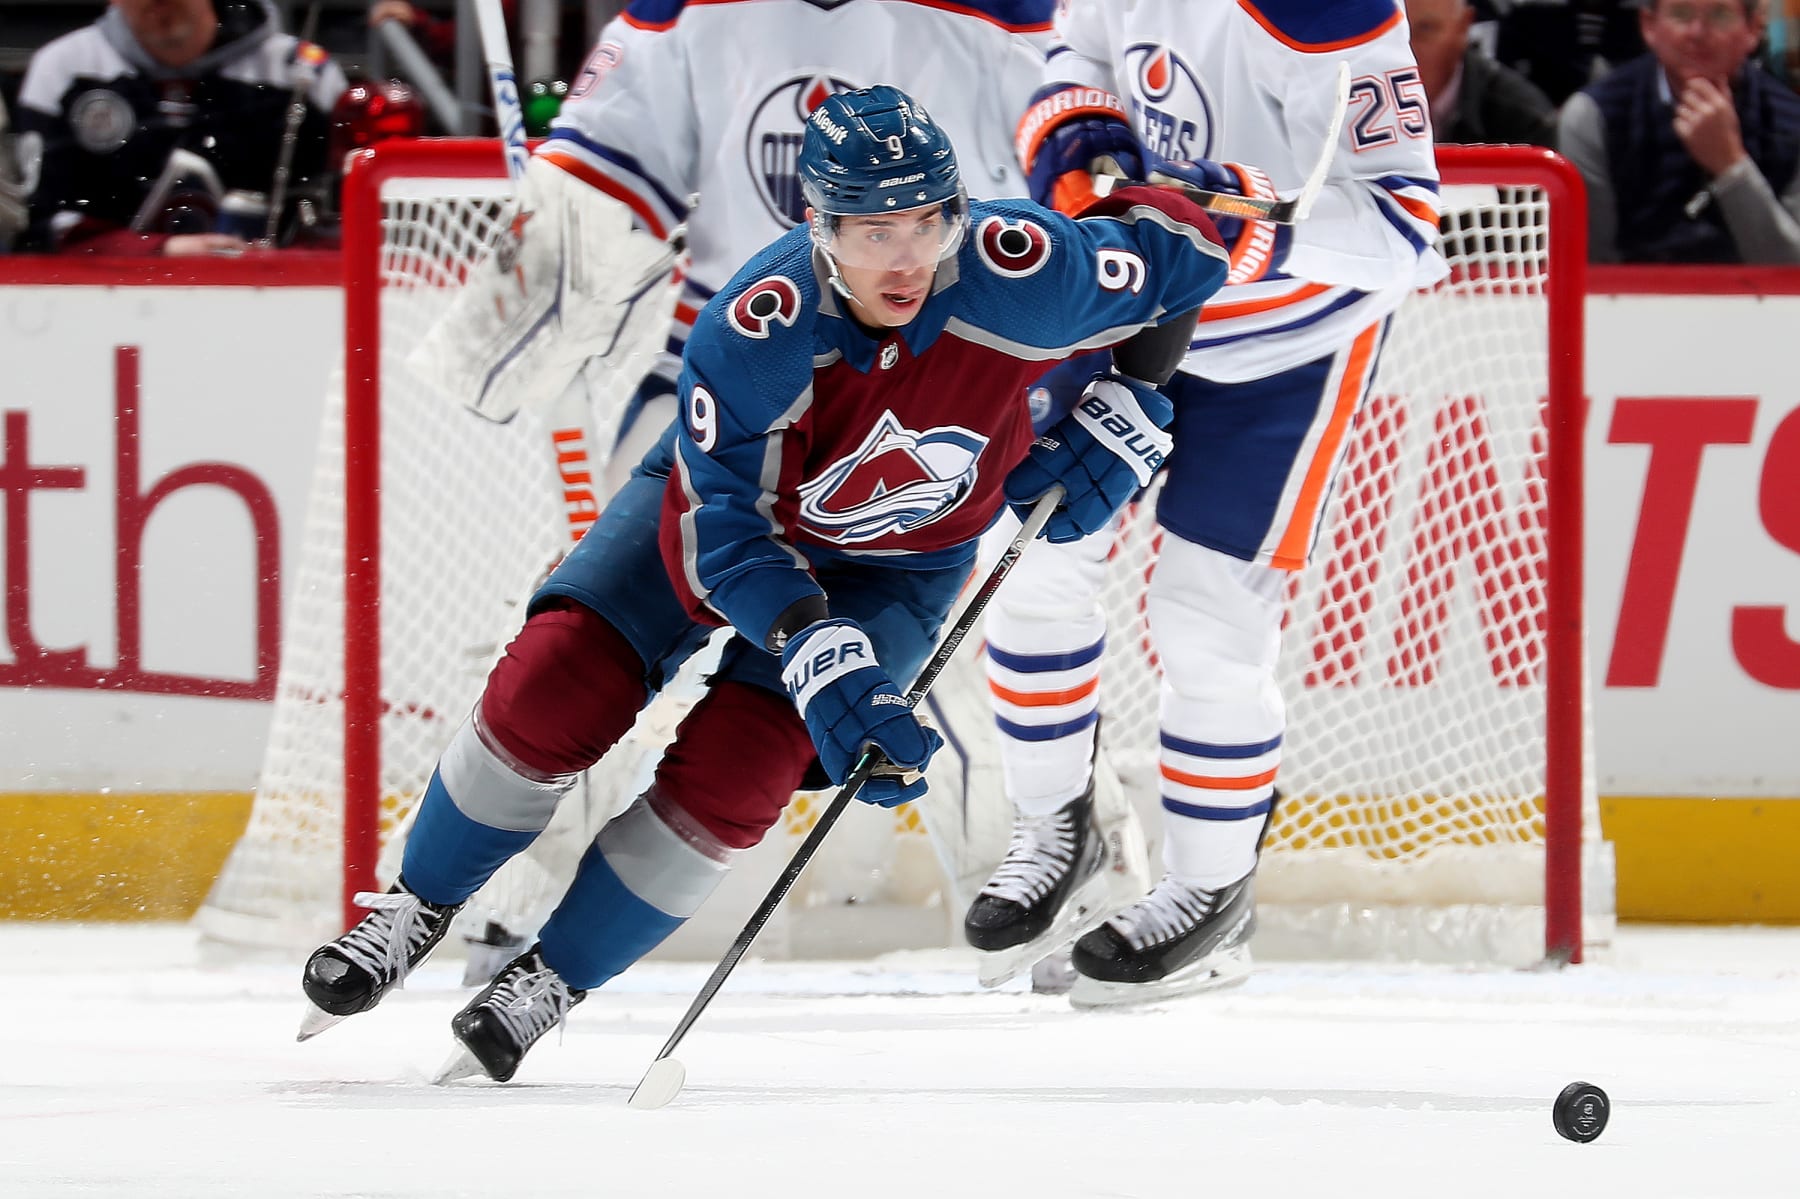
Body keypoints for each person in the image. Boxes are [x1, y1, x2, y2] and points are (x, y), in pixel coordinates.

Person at [297, 85, 1231, 1083]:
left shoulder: (1023, 269)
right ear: (818, 227)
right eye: (873, 230)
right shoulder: (757, 322)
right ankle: (417, 902)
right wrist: (811, 642)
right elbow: (725, 528)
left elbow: (1189, 245)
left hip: (902, 567)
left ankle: (551, 980)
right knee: (553, 686)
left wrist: (1136, 394)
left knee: (741, 774)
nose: (906, 256)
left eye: (926, 220)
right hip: (712, 530)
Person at [401, 0, 1061, 981]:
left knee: (930, 660)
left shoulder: (1001, 18)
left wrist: (1061, 375)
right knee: (593, 643)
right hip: (720, 385)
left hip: (929, 382)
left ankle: (1028, 894)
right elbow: (599, 179)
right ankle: (517, 894)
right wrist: (520, 307)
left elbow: (1070, 200)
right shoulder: (692, 13)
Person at [960, 0, 1448, 1006]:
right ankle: (1058, 823)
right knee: (1033, 548)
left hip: (1290, 341)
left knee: (1208, 615)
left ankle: (1213, 892)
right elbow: (1069, 55)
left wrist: (1250, 223)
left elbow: (1405, 232)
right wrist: (1074, 135)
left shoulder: (1331, 13)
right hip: (1138, 287)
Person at [13, 0, 348, 255]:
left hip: (275, 297)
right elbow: (41, 226)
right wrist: (157, 251)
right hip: (104, 302)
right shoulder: (63, 70)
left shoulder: (301, 74)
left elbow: (342, 220)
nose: (160, 6)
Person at [1558, 0, 1800, 262]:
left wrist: (1731, 167)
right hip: (1636, 299)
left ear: (1753, 29)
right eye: (1681, 14)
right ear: (1649, 26)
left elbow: (1790, 273)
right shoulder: (1592, 117)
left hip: (1757, 299)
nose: (1697, 32)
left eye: (1720, 15)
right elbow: (1589, 271)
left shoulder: (1792, 123)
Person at [1409, 0, 1559, 145]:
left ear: (1463, 27)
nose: (1406, 51)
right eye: (1393, 32)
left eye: (1425, 29)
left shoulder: (1525, 121)